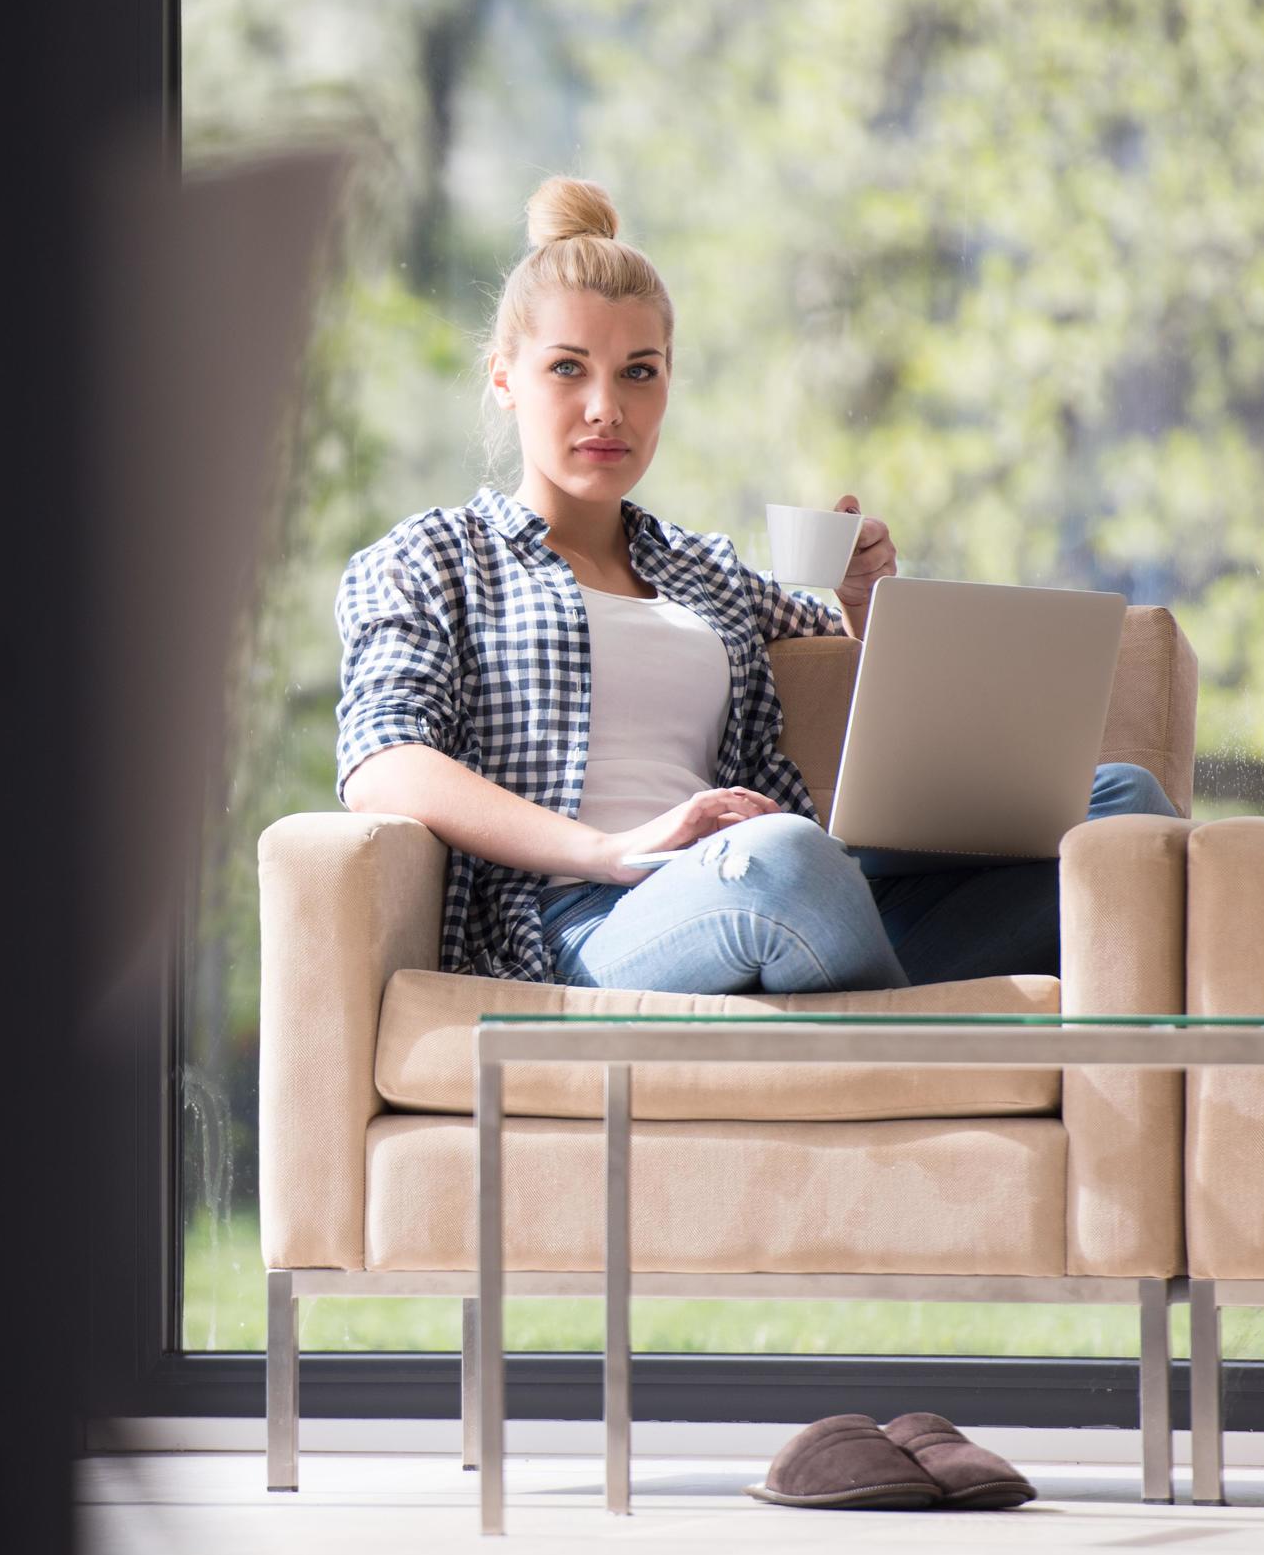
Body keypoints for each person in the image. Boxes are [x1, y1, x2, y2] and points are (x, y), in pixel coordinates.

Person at [333, 175, 1176, 996]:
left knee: (1121, 809)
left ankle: (879, 1008)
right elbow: (382, 761)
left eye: (638, 372)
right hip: (589, 917)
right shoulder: (432, 558)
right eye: (566, 369)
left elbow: (868, 669)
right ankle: (915, 1063)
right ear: (504, 378)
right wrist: (611, 848)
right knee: (782, 857)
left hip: (795, 884)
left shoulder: (704, 571)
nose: (605, 408)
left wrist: (861, 596)